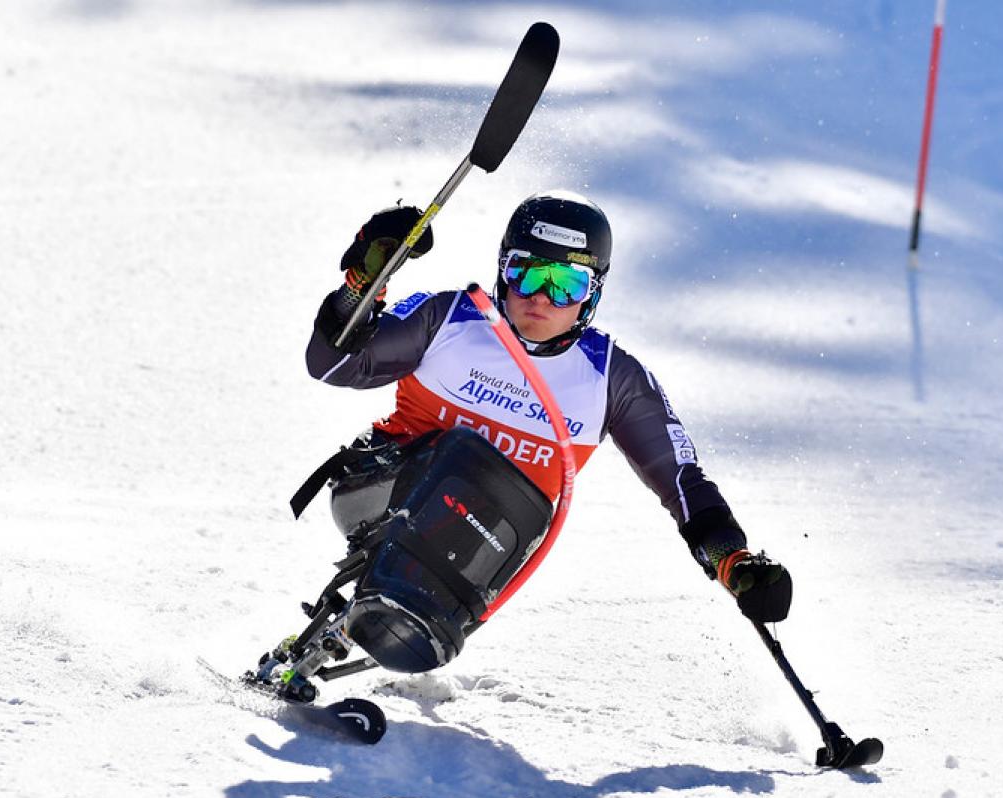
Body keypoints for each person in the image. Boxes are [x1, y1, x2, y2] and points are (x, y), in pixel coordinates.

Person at [303, 190, 792, 672]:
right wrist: (361, 285)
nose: (540, 297)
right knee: (466, 455)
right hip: (379, 494)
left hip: (479, 549)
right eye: (527, 274)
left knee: (518, 500)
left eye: (565, 284)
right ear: (502, 271)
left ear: (593, 294)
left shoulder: (611, 379)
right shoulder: (450, 318)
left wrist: (734, 561)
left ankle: (392, 626)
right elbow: (333, 365)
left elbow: (682, 481)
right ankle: (378, 602)